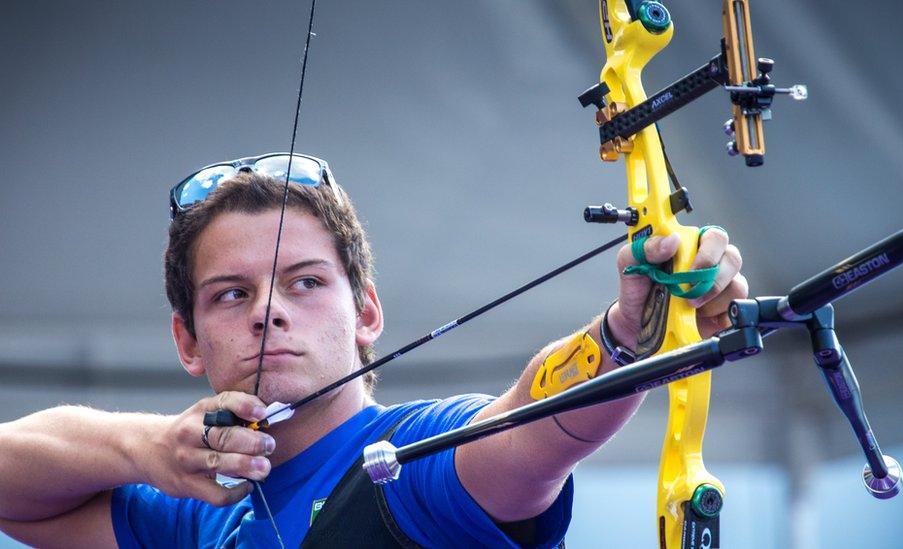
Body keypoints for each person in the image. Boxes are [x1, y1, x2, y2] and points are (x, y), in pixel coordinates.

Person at [0, 153, 746, 548]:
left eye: (305, 282)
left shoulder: (413, 460)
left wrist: (624, 336)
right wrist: (151, 447)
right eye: (231, 293)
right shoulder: (200, 516)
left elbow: (531, 427)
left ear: (366, 312)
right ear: (186, 340)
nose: (268, 312)